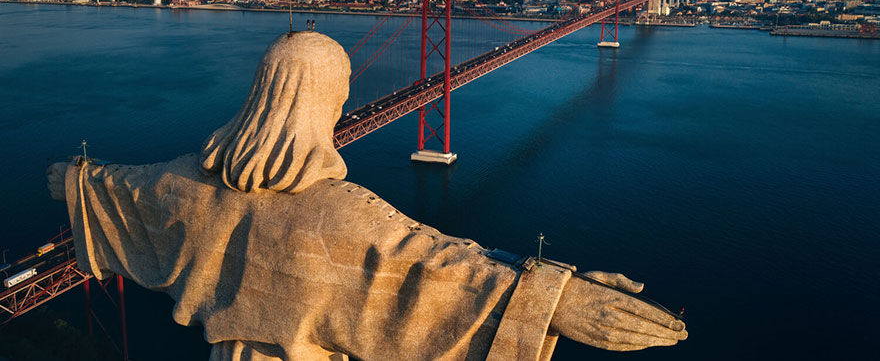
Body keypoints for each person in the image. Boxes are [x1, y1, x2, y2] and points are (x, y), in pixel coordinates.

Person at [47, 31, 686, 361]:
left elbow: (118, 189)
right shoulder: (344, 216)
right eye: (344, 88)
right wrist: (557, 299)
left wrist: (72, 180)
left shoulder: (184, 183)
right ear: (327, 98)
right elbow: (439, 273)